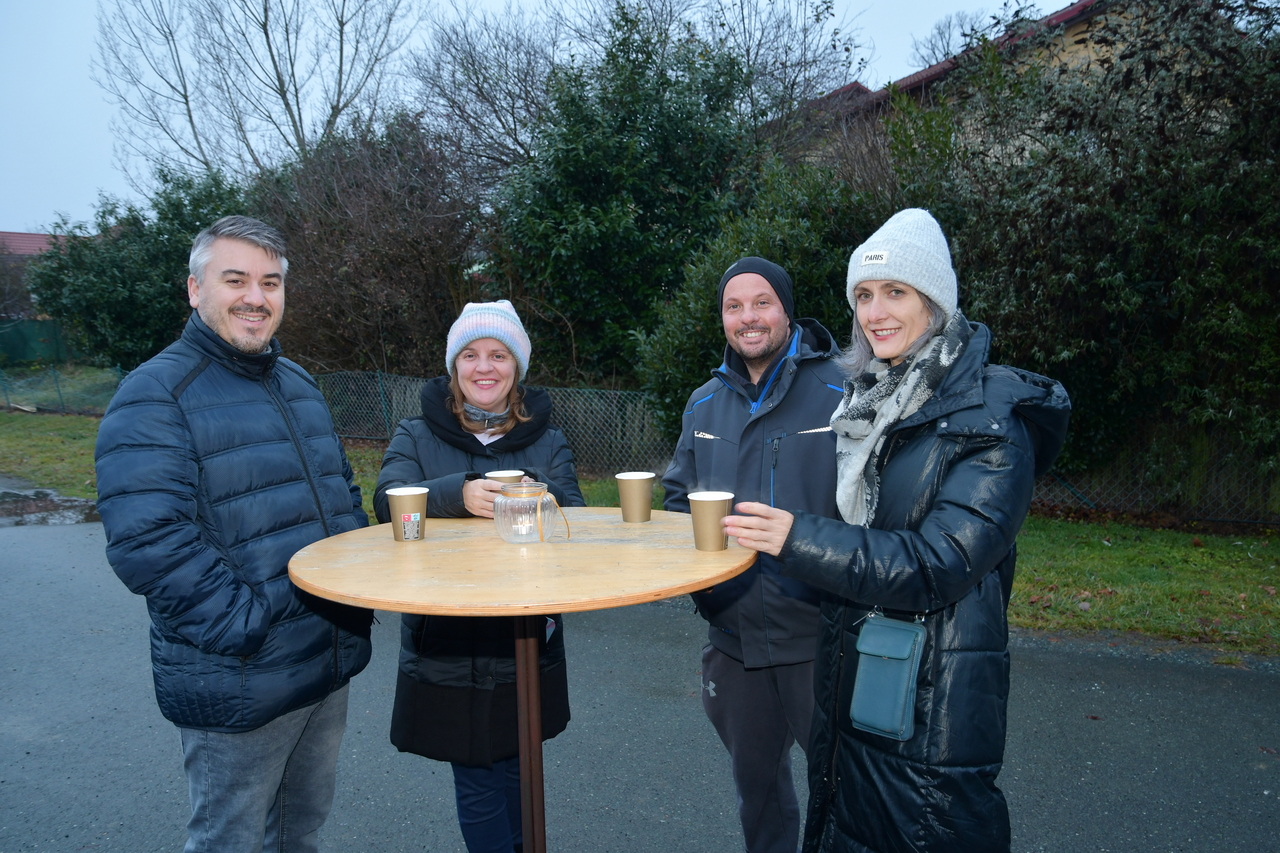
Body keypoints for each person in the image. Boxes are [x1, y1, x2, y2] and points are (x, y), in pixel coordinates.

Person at [724, 209, 1071, 853]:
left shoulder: (994, 419)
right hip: (860, 682)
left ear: (934, 301)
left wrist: (796, 539)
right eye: (862, 295)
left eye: (895, 292)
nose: (874, 313)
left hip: (933, 703)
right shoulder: (872, 404)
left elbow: (936, 564)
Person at [95, 216, 373, 853]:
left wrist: (352, 593)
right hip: (240, 672)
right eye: (236, 279)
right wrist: (248, 629)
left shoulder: (297, 383)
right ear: (196, 290)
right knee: (232, 841)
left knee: (299, 830)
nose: (256, 296)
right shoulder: (154, 394)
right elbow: (148, 543)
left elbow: (340, 492)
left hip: (324, 659)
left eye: (270, 282)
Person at [374, 300, 584, 853]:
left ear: (517, 367)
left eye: (498, 354)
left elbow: (577, 519)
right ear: (454, 366)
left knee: (521, 766)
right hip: (449, 636)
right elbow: (387, 503)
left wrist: (536, 494)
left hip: (526, 634)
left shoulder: (548, 438)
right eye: (470, 355)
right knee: (476, 777)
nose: (484, 367)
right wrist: (455, 493)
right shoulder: (415, 433)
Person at [662, 257, 845, 853]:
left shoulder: (845, 391)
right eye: (733, 306)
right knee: (758, 798)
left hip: (820, 639)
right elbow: (677, 503)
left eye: (762, 302)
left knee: (847, 797)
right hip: (734, 642)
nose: (749, 317)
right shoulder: (703, 404)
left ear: (787, 310)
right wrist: (708, 590)